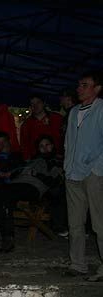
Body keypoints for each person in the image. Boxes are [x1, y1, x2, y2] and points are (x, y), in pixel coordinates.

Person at [63, 71, 103, 280]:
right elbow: (68, 141)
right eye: (79, 84)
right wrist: (67, 166)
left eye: (84, 85)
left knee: (99, 223)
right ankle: (78, 264)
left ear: (97, 88)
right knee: (75, 223)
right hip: (73, 173)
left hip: (95, 174)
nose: (79, 88)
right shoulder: (73, 111)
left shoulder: (101, 109)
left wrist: (97, 168)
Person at [19, 94, 63, 160]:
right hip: (36, 160)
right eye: (32, 104)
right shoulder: (26, 125)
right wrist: (27, 160)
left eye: (38, 102)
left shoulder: (57, 118)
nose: (35, 106)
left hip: (57, 158)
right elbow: (24, 145)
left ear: (43, 103)